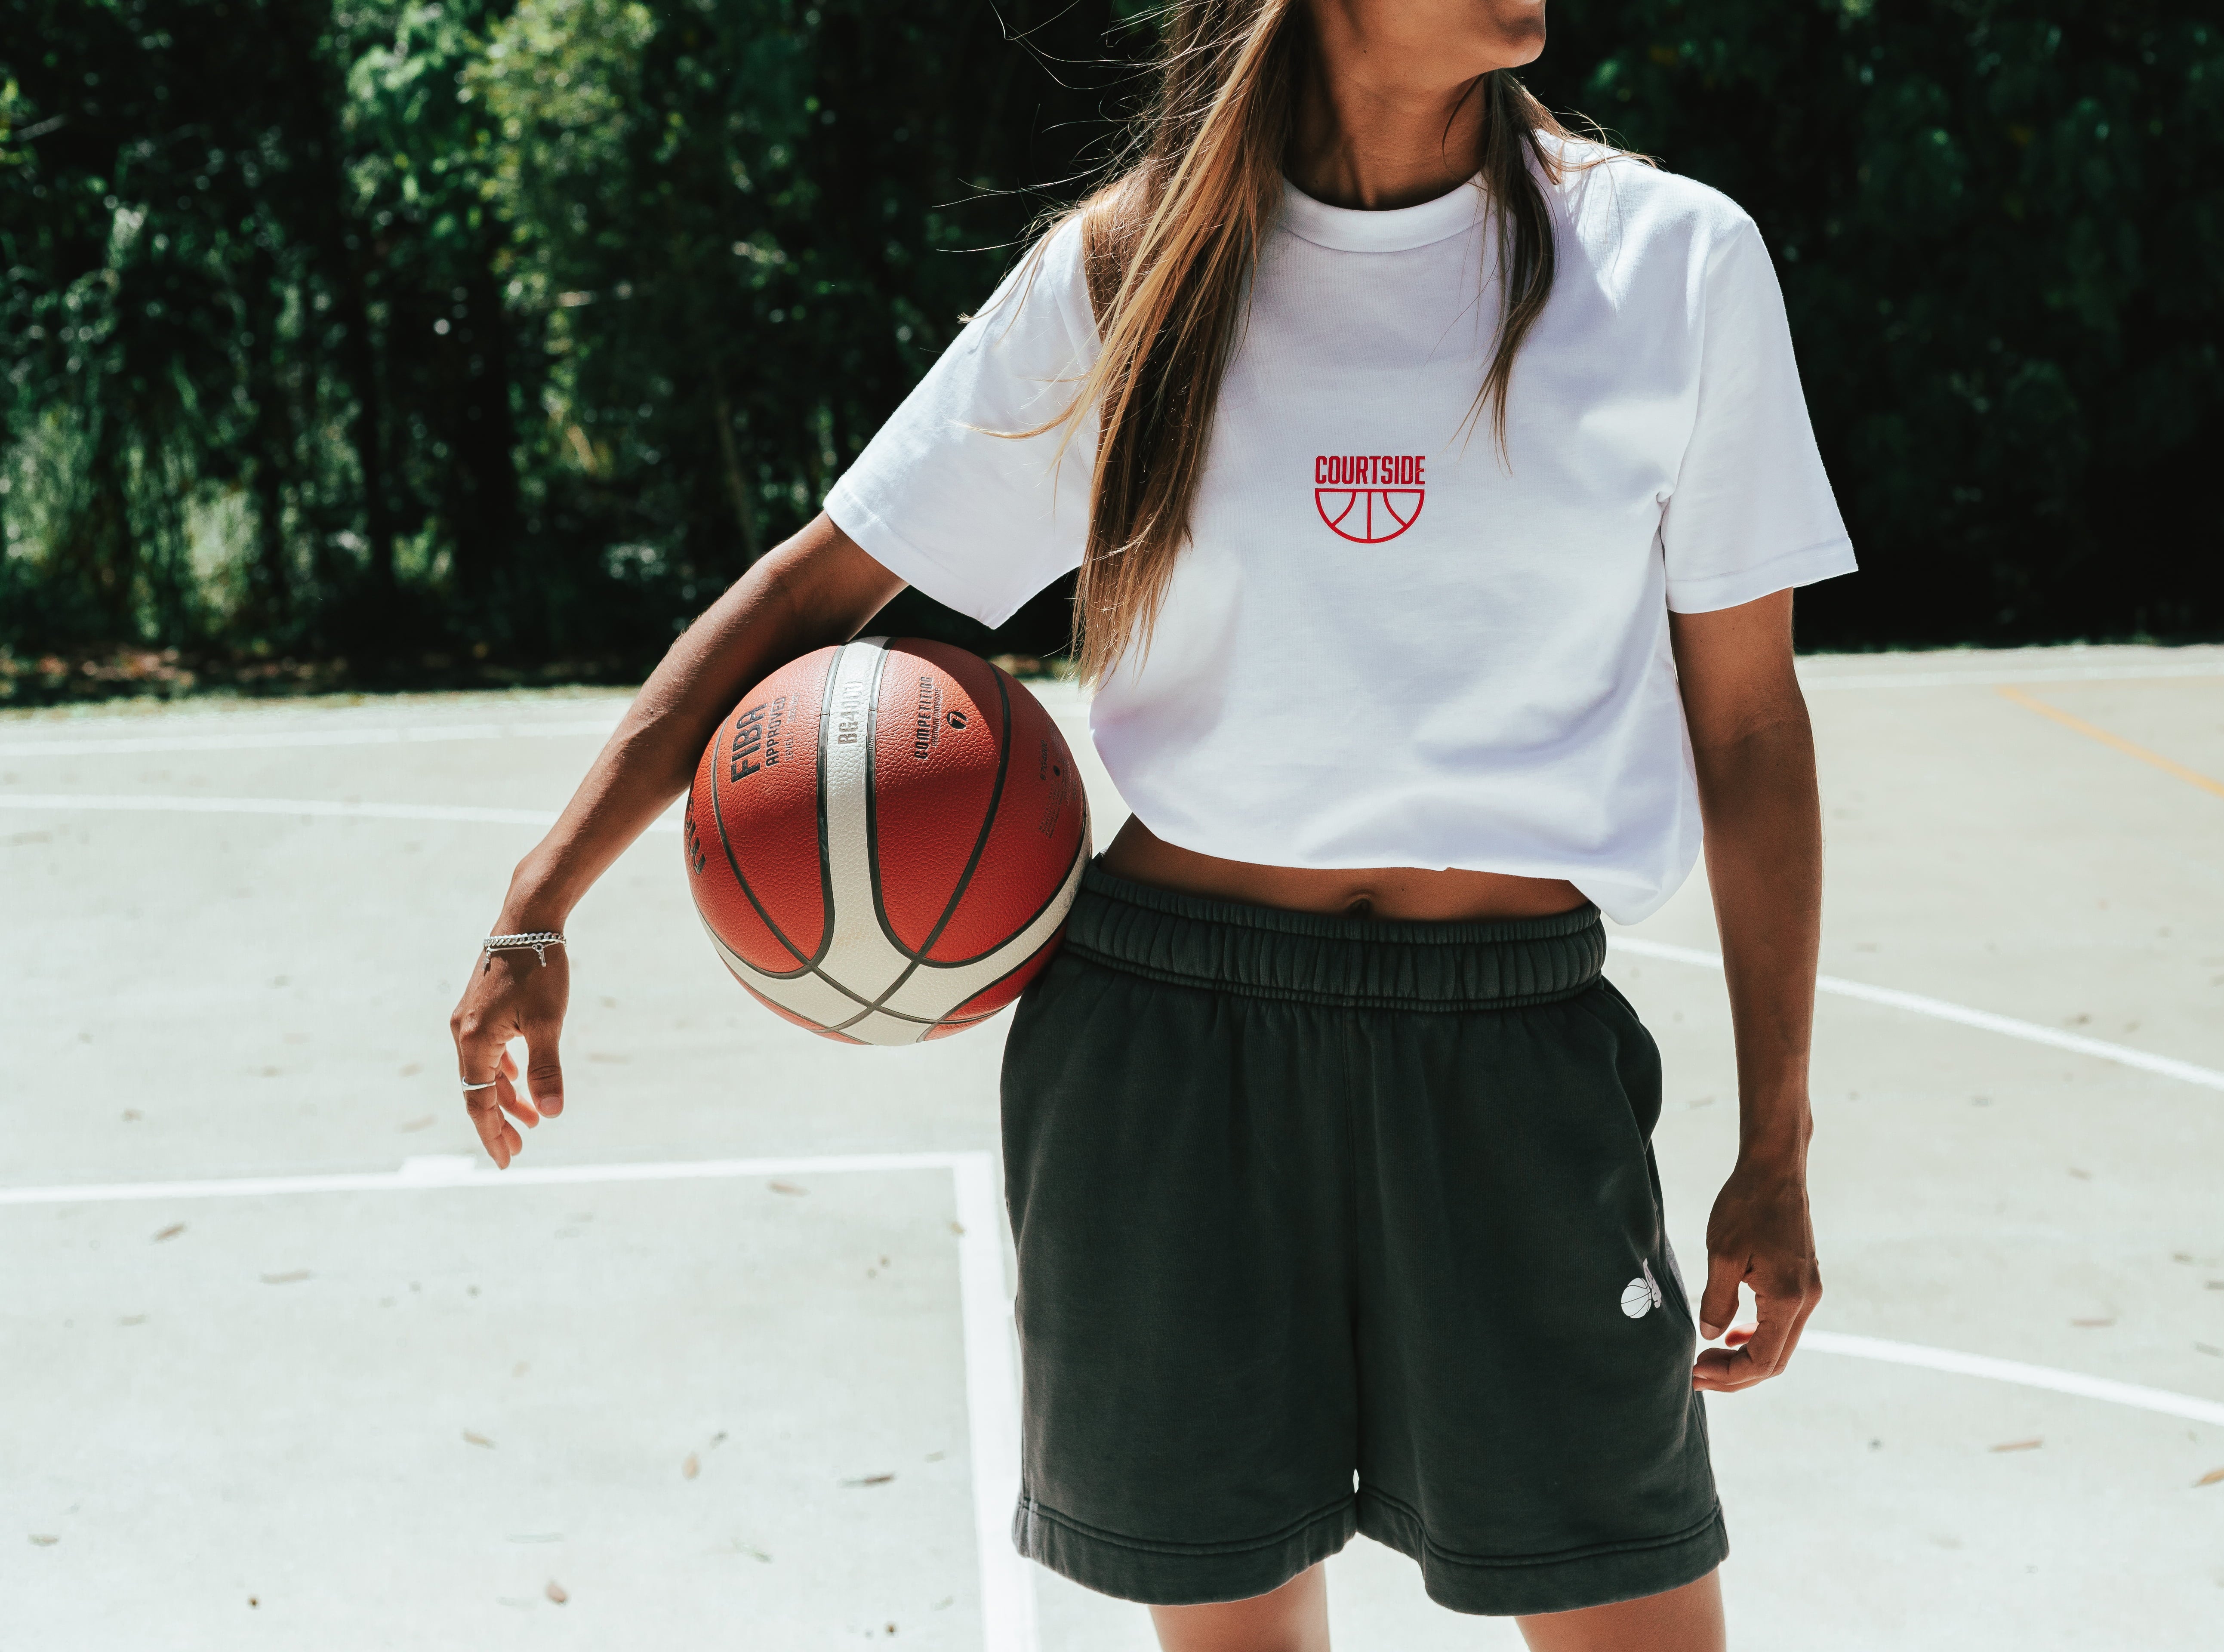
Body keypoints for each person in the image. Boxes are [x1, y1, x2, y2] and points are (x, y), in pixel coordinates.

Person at [450, 1, 1849, 1646]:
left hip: (1513, 1048)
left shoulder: (1672, 264)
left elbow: (1750, 729)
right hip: (1172, 1052)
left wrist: (1779, 1138)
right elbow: (818, 587)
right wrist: (538, 900)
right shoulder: (1135, 270)